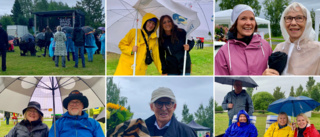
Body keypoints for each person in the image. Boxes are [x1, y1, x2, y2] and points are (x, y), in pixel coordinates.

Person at [263, 2, 320, 75]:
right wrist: (266, 75)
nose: (293, 23)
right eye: (289, 18)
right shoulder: (279, 48)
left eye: (299, 18)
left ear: (307, 21)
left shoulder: (317, 50)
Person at [215, 4, 272, 75]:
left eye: (252, 19)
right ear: (235, 23)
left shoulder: (265, 46)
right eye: (243, 18)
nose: (248, 23)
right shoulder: (224, 52)